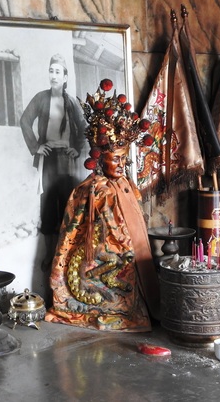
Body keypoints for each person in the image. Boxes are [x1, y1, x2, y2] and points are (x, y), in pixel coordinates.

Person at [45, 79, 160, 332]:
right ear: (100, 158)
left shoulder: (125, 185)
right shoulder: (91, 190)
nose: (122, 165)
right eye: (115, 159)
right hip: (95, 256)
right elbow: (76, 234)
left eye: (124, 159)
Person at [20, 54, 86, 271]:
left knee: (68, 205)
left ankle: (67, 253)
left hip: (66, 160)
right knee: (48, 206)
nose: (54, 76)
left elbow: (84, 128)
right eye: (51, 71)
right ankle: (50, 254)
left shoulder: (72, 102)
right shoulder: (41, 98)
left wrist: (77, 149)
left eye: (58, 72)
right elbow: (25, 120)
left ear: (65, 77)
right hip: (48, 159)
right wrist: (36, 147)